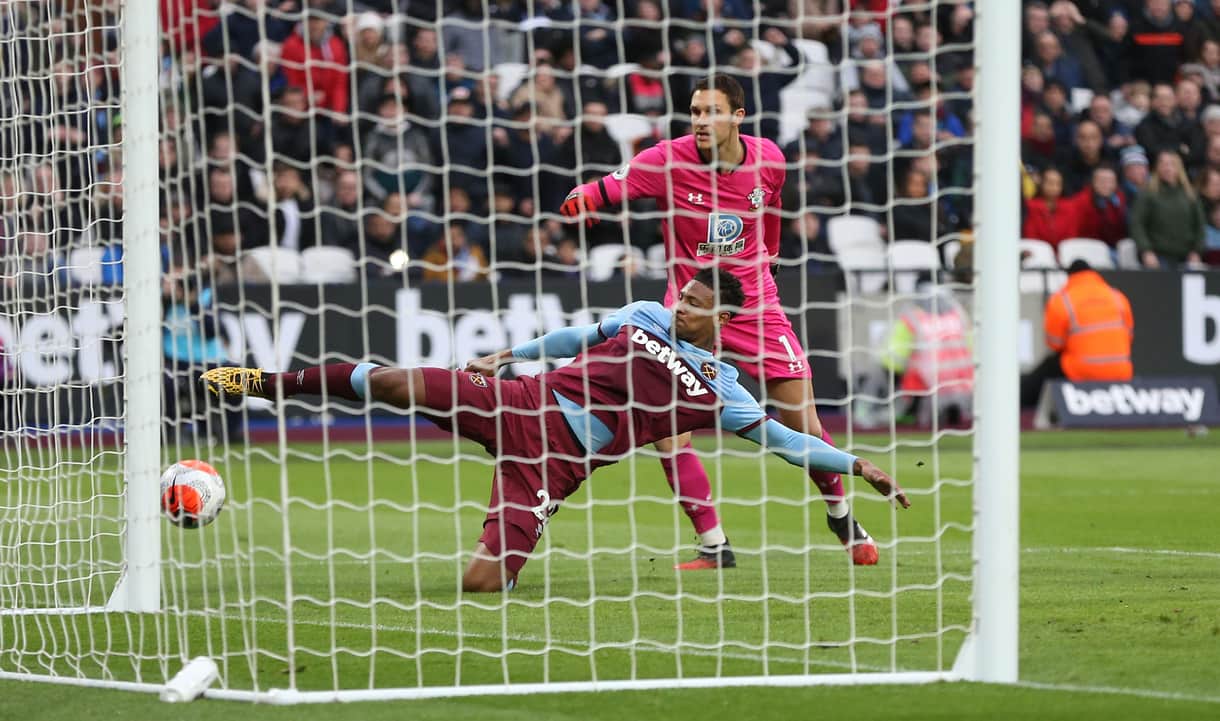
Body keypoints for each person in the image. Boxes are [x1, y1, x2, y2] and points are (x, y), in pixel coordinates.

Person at [202, 269, 909, 592]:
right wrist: (515, 353)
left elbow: (789, 441)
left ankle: (513, 547)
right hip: (517, 399)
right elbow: (579, 330)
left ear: (723, 319)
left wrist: (860, 462)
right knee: (393, 381)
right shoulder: (646, 315)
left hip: (553, 463)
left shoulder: (722, 392)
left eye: (693, 303)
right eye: (681, 295)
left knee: (481, 582)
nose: (680, 305)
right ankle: (264, 382)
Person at [559, 74, 881, 569]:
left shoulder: (769, 157)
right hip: (688, 312)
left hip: (755, 305)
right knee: (667, 431)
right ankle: (714, 545)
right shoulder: (664, 159)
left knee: (804, 423)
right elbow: (603, 188)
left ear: (738, 116)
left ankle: (841, 514)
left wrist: (770, 251)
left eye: (712, 111)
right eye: (695, 111)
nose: (701, 120)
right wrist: (582, 199)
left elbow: (771, 204)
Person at [1020, 260, 1134, 408]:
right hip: (1120, 371)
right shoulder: (1118, 297)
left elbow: (1055, 343)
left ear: (1070, 276)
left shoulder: (1062, 300)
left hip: (1081, 371)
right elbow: (1129, 336)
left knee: (1043, 372)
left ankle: (1024, 412)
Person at [1129, 150, 1206, 269]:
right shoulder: (1147, 194)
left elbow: (1200, 225)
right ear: (1157, 167)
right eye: (1163, 163)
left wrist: (1197, 251)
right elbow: (1137, 223)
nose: (1167, 168)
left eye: (1171, 164)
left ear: (1179, 167)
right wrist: (1146, 251)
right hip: (1157, 256)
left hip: (1186, 257)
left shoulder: (1190, 195)